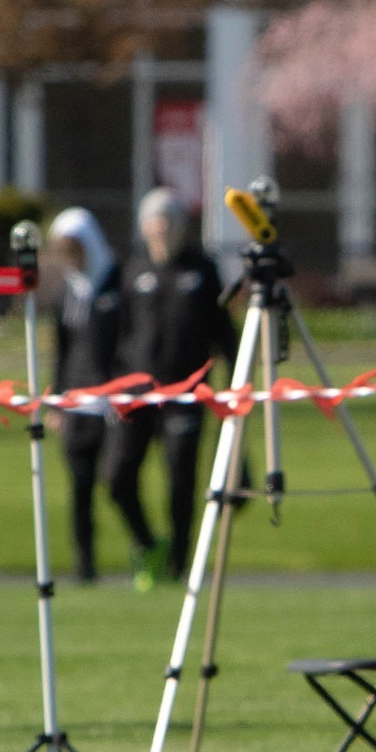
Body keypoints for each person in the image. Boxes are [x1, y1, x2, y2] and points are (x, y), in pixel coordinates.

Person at [104, 188, 237, 585]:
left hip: (186, 396)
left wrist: (232, 383)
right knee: (117, 477)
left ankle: (180, 563)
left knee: (181, 480)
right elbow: (119, 334)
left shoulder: (202, 270)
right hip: (138, 396)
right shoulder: (132, 269)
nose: (162, 229)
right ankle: (147, 543)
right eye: (154, 221)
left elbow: (224, 335)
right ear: (144, 227)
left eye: (169, 221)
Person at [47, 207, 123, 583]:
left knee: (117, 481)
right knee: (79, 489)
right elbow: (62, 350)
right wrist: (56, 400)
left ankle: (147, 544)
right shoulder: (70, 292)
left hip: (112, 403)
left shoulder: (117, 283)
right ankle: (84, 565)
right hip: (77, 404)